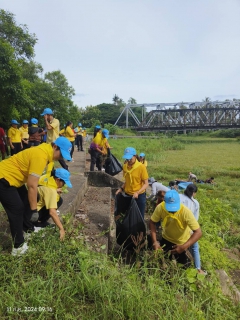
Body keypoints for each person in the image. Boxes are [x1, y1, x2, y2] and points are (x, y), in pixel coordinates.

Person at [0, 136, 72, 256]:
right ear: (55, 147)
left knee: (31, 199)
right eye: (61, 155)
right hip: (4, 178)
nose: (61, 158)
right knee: (17, 209)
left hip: (14, 179)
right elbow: (32, 186)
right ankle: (18, 247)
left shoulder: (46, 153)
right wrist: (34, 211)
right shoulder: (41, 155)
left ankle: (28, 229)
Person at [149, 189, 202, 268]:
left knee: (184, 267)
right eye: (170, 208)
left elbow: (198, 232)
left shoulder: (185, 212)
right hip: (166, 239)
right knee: (164, 263)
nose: (172, 211)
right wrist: (155, 242)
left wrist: (183, 247)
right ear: (164, 202)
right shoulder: (160, 207)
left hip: (181, 242)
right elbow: (152, 222)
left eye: (174, 208)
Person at [31, 168, 72, 241]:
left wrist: (55, 190)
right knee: (57, 201)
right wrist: (61, 229)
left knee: (59, 200)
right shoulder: (51, 191)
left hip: (30, 208)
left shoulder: (46, 178)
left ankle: (39, 222)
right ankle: (37, 224)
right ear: (57, 180)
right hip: (32, 215)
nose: (64, 185)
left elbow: (43, 187)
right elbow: (52, 212)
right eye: (64, 183)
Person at [179, 184, 206, 274]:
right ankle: (198, 269)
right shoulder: (195, 203)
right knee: (194, 247)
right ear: (194, 193)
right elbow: (195, 219)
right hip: (189, 228)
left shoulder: (179, 197)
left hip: (176, 226)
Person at [115, 147, 149, 218]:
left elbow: (146, 184)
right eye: (127, 158)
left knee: (139, 216)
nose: (129, 160)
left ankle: (139, 229)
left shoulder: (141, 167)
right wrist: (121, 188)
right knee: (129, 216)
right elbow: (127, 181)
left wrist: (137, 192)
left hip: (139, 196)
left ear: (135, 156)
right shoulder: (125, 166)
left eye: (130, 158)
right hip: (128, 195)